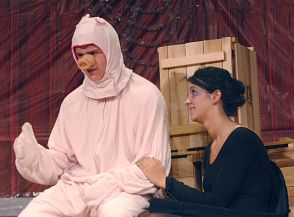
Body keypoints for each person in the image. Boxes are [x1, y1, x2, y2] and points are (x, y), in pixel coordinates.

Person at [13, 14, 171, 217]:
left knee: (115, 213)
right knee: (34, 213)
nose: (85, 62)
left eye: (93, 52)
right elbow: (60, 160)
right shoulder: (73, 102)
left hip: (127, 190)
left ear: (110, 50)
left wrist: (110, 183)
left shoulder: (145, 96)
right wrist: (33, 157)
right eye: (79, 55)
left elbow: (153, 166)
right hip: (79, 188)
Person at [137, 66, 272, 216]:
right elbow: (209, 204)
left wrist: (165, 181)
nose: (187, 101)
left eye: (194, 92)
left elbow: (216, 202)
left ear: (215, 96)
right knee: (148, 209)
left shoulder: (242, 140)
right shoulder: (211, 148)